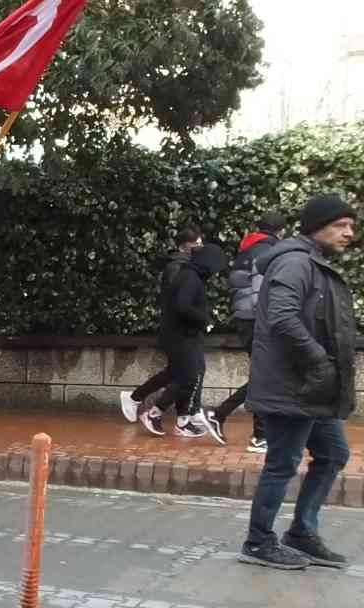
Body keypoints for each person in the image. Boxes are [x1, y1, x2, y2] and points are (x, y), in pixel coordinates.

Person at [238, 194, 357, 570]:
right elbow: (282, 318)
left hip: (313, 385)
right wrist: (319, 361)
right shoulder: (294, 263)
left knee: (333, 453)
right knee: (282, 463)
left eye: (352, 226)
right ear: (316, 226)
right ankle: (258, 542)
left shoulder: (316, 263)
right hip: (294, 385)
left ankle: (302, 533)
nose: (349, 233)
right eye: (341, 225)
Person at [127, 241, 230, 442]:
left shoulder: (189, 275)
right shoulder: (190, 278)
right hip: (181, 336)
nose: (216, 273)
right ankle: (156, 412)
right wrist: (204, 319)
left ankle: (181, 420)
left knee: (185, 375)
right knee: (191, 376)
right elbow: (182, 306)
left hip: (182, 334)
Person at [212, 212, 285, 452]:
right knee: (266, 376)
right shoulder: (268, 251)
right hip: (258, 320)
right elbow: (260, 293)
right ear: (280, 231)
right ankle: (259, 436)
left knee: (264, 375)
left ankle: (220, 414)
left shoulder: (246, 250)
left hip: (244, 319)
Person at [120, 226, 205, 431]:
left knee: (179, 373)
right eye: (197, 245)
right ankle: (181, 416)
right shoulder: (178, 268)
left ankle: (140, 399)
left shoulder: (185, 267)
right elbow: (179, 302)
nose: (200, 249)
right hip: (179, 331)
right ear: (185, 246)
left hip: (182, 330)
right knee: (189, 373)